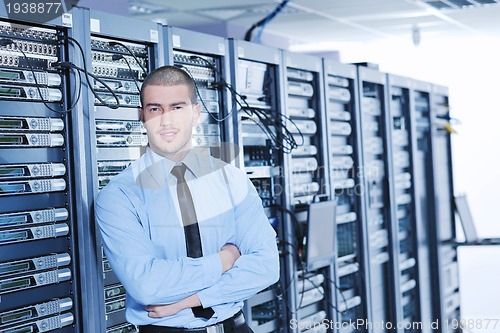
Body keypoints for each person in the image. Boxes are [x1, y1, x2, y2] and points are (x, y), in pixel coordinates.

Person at [95, 65, 280, 333]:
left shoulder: (232, 181)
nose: (166, 120)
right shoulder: (119, 196)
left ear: (196, 113)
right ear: (142, 116)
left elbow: (266, 267)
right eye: (155, 108)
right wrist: (224, 260)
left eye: (177, 108)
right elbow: (147, 286)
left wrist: (187, 301)